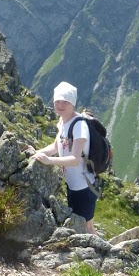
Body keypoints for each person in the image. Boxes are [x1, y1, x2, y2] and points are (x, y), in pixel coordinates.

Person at [25, 81, 98, 235]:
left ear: (72, 103)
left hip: (84, 188)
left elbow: (74, 159)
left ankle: (103, 254)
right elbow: (56, 146)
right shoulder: (63, 122)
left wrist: (49, 161)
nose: (60, 104)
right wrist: (37, 153)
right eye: (57, 100)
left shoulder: (79, 126)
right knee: (79, 225)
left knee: (87, 227)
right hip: (72, 186)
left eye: (65, 101)